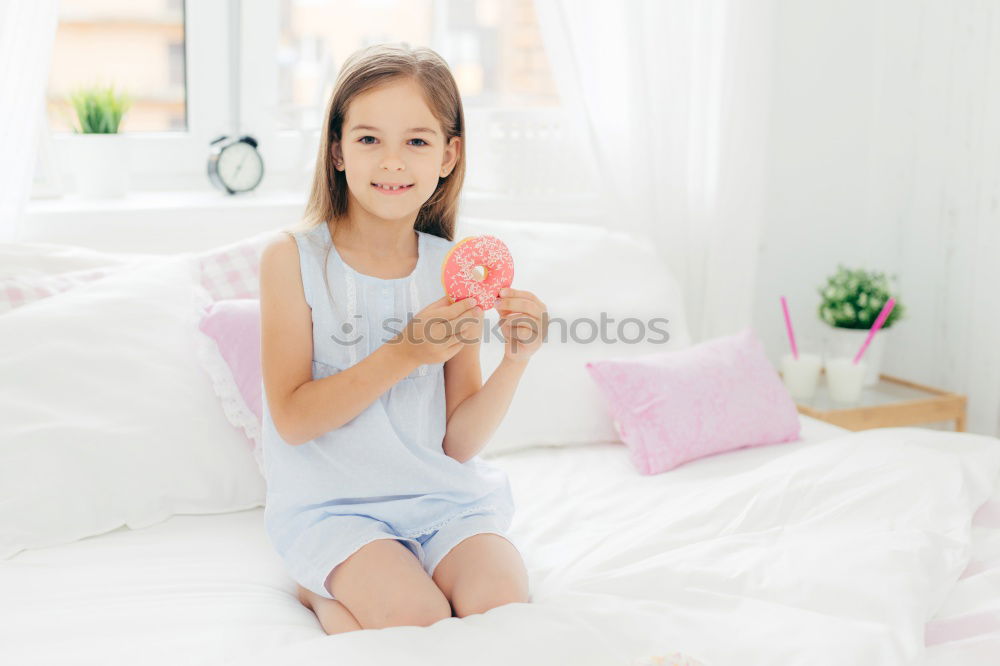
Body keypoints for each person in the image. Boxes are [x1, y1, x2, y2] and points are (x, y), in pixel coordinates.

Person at [258, 42, 548, 635]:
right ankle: (319, 592)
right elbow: (292, 418)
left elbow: (459, 443)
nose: (393, 161)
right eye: (369, 139)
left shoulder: (452, 271)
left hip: (443, 500)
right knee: (417, 618)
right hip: (336, 510)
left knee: (504, 607)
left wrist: (515, 361)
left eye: (417, 141)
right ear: (337, 150)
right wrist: (407, 352)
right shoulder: (291, 259)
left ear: (449, 154)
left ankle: (357, 603)